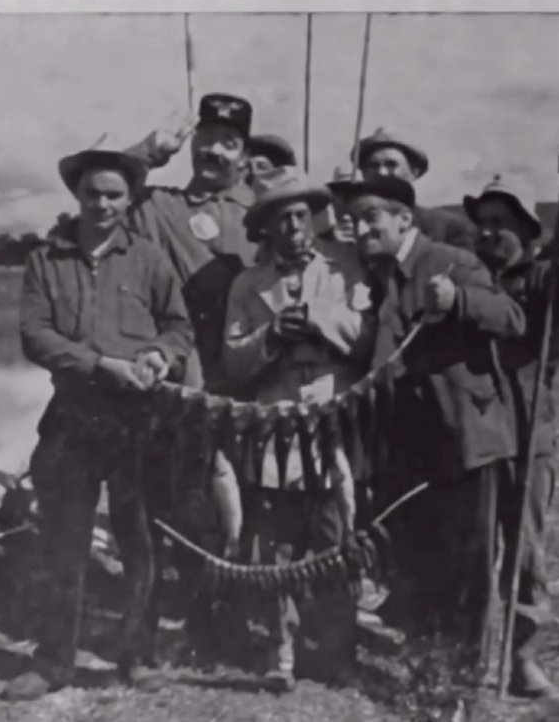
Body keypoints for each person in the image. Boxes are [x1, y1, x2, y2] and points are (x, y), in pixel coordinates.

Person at [2, 148, 193, 702]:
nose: (102, 204)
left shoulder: (151, 259)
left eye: (114, 194)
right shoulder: (45, 260)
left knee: (140, 541)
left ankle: (138, 657)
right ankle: (53, 661)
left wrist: (161, 354)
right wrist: (98, 365)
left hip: (139, 418)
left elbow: (180, 328)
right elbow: (34, 335)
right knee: (62, 542)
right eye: (92, 193)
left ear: (129, 200)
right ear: (76, 196)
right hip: (74, 416)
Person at [332, 174, 525, 674]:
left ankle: (461, 682)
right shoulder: (369, 276)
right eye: (354, 219)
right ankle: (428, 668)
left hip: (465, 441)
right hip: (408, 450)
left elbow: (511, 317)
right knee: (420, 561)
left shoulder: (449, 262)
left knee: (466, 571)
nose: (362, 227)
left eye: (372, 216)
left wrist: (459, 302)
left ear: (404, 218)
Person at [461, 145, 559, 700]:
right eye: (482, 223)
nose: (487, 234)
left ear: (528, 229)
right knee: (473, 553)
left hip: (528, 435)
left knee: (525, 553)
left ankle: (521, 660)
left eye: (501, 224)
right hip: (476, 438)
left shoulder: (547, 280)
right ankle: (472, 661)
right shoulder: (467, 279)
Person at [223, 168, 374, 692]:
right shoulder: (247, 284)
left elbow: (367, 338)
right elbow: (232, 362)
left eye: (300, 215)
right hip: (275, 421)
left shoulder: (346, 269)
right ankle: (278, 649)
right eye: (280, 218)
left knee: (335, 536)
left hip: (331, 415)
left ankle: (336, 651)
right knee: (275, 542)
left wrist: (318, 319)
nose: (293, 226)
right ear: (264, 228)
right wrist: (269, 337)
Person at [123, 93, 259, 663]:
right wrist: (148, 152)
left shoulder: (262, 211)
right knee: (167, 507)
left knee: (241, 513)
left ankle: (228, 629)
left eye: (228, 140)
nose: (213, 149)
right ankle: (157, 636)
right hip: (174, 385)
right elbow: (101, 186)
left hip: (246, 385)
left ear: (244, 153)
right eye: (206, 136)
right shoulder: (157, 205)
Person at [336, 127, 477, 251]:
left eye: (391, 164)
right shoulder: (347, 225)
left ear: (414, 172)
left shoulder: (448, 228)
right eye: (372, 165)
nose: (382, 172)